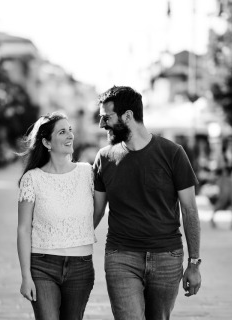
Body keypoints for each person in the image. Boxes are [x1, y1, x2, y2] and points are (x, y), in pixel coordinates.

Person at [93, 86, 202, 320]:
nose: (102, 124)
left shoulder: (173, 153)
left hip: (167, 257)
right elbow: (96, 211)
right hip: (121, 257)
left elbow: (190, 210)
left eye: (106, 117)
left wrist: (193, 263)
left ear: (128, 116)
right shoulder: (104, 158)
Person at [17, 112, 96, 320]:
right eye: (62, 132)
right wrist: (26, 276)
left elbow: (98, 211)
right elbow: (24, 229)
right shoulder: (32, 179)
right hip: (42, 266)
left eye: (70, 130)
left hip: (81, 266)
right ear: (46, 142)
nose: (70, 135)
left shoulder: (88, 173)